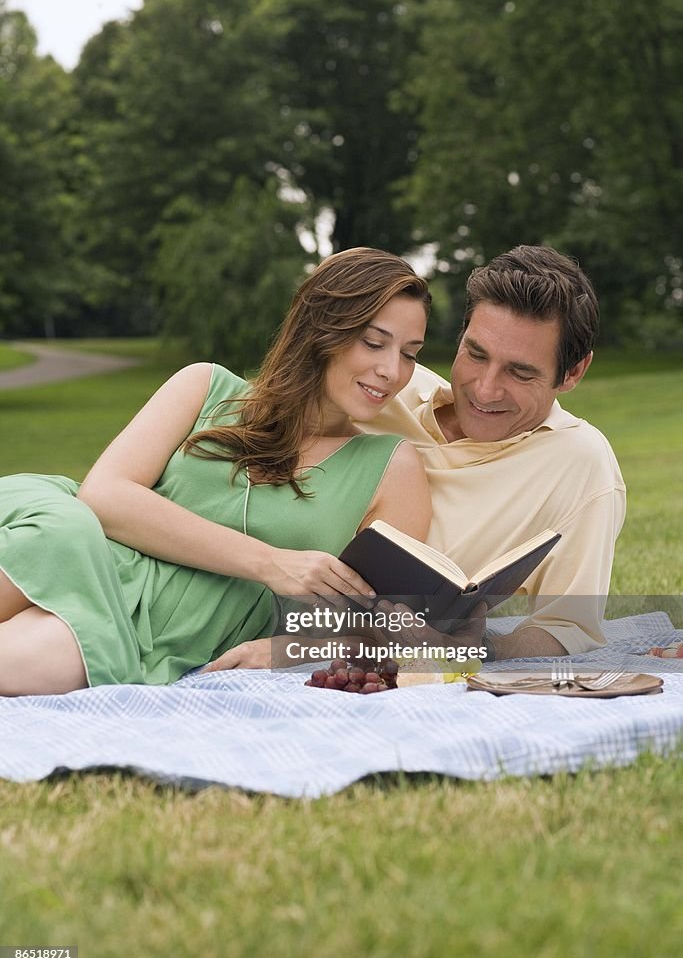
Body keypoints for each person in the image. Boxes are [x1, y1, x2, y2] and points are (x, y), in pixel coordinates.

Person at [0, 247, 434, 695]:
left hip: (180, 623)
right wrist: (270, 563)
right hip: (89, 552)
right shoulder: (204, 386)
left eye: (409, 354)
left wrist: (285, 649)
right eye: (374, 342)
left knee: (32, 661)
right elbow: (103, 497)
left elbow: (397, 626)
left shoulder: (391, 467)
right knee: (61, 533)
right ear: (320, 328)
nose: (392, 371)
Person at [361, 245, 626, 659]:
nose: (484, 390)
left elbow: (567, 629)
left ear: (573, 372)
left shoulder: (579, 464)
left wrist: (478, 648)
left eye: (520, 372)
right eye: (475, 353)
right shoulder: (384, 387)